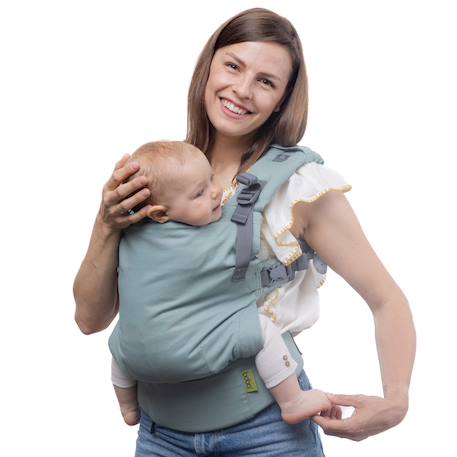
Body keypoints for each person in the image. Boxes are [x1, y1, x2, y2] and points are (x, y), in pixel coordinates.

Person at [74, 7, 416, 455]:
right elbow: (90, 320)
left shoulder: (299, 187)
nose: (242, 90)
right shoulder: (158, 177)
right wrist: (106, 224)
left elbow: (386, 299)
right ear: (208, 66)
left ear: (282, 100)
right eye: (233, 66)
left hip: (266, 431)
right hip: (162, 435)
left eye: (266, 81)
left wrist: (396, 402)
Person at [110, 140, 335, 427]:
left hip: (134, 360)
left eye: (211, 180)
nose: (216, 192)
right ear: (160, 214)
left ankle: (128, 407)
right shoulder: (217, 238)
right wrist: (299, 157)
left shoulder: (130, 234)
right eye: (199, 193)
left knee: (122, 336)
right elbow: (257, 199)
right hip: (188, 354)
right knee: (262, 329)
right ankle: (292, 401)